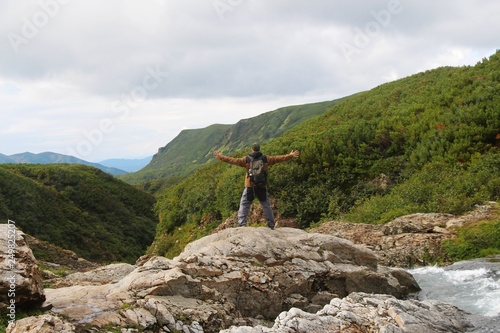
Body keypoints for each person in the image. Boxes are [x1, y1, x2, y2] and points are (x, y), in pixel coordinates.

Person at [213, 144, 300, 229]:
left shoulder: (246, 160)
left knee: (244, 205)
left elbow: (232, 160)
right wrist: (290, 155)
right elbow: (279, 158)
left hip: (250, 186)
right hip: (262, 185)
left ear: (252, 149)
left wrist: (220, 157)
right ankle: (271, 225)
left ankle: (241, 225)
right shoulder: (266, 159)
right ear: (259, 149)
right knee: (266, 205)